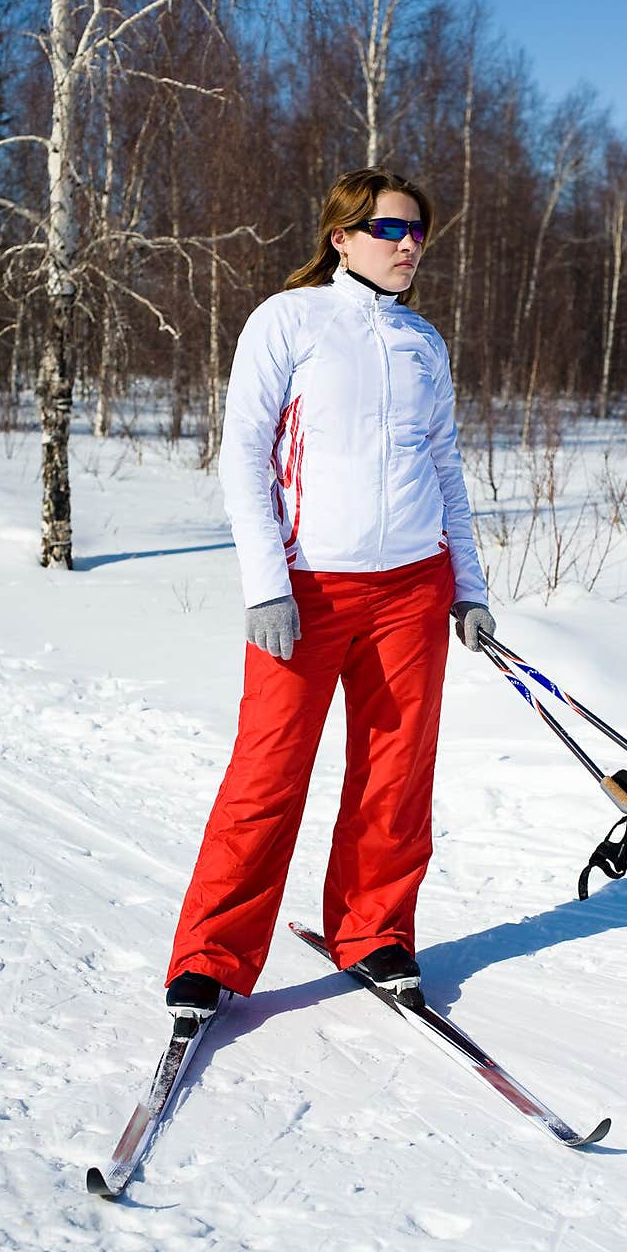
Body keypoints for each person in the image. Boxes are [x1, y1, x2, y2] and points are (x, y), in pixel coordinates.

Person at [164, 166, 495, 1017]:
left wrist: (468, 584)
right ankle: (211, 955)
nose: (409, 243)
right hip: (308, 589)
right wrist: (266, 584)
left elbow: (445, 467)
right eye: (390, 229)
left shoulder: (423, 340)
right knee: (268, 774)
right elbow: (243, 456)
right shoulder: (290, 319)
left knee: (396, 773)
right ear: (341, 236)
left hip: (413, 590)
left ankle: (376, 933)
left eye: (418, 230)